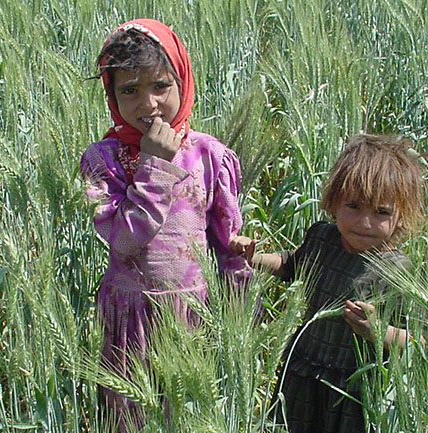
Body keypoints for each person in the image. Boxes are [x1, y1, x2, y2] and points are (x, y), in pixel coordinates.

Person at [79, 18, 250, 427]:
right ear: (112, 95)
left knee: (187, 415)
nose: (148, 104)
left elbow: (226, 241)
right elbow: (123, 240)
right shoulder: (102, 161)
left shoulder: (210, 155)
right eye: (129, 91)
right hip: (131, 316)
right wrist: (155, 166)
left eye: (160, 86)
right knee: (131, 417)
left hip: (192, 312)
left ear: (183, 82)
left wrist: (238, 298)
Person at [230, 133, 425, 433]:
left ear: (402, 216)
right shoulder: (323, 237)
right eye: (354, 206)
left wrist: (379, 331)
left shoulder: (398, 271)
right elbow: (293, 264)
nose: (365, 222)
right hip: (302, 374)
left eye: (381, 212)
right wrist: (254, 258)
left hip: (354, 391)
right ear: (333, 201)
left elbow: (418, 342)